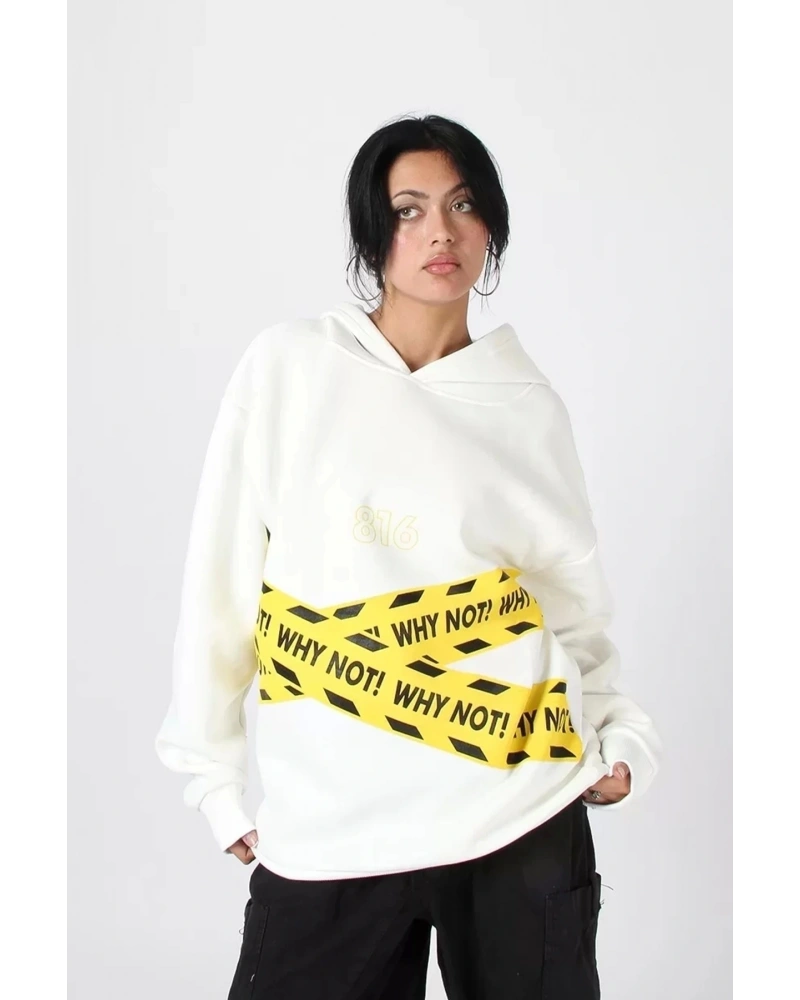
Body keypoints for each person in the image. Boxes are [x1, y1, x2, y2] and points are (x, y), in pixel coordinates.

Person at [155, 113, 663, 999]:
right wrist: (212, 778)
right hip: (333, 827)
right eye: (408, 209)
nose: (440, 231)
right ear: (370, 232)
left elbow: (572, 606)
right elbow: (220, 583)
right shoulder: (289, 368)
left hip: (519, 809)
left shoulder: (526, 405)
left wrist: (621, 733)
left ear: (491, 227)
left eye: (464, 205)